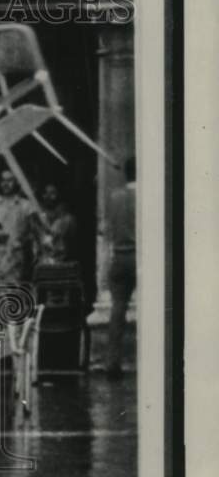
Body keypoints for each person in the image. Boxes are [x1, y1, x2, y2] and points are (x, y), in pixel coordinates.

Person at [105, 156, 137, 379]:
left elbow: (108, 229)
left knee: (117, 310)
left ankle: (112, 362)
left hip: (119, 255)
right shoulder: (147, 196)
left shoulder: (115, 197)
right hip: (140, 257)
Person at [34, 182, 77, 265]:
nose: (49, 196)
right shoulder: (37, 216)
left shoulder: (68, 219)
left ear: (58, 195)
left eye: (52, 193)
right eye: (45, 193)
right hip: (42, 263)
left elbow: (71, 241)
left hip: (61, 262)